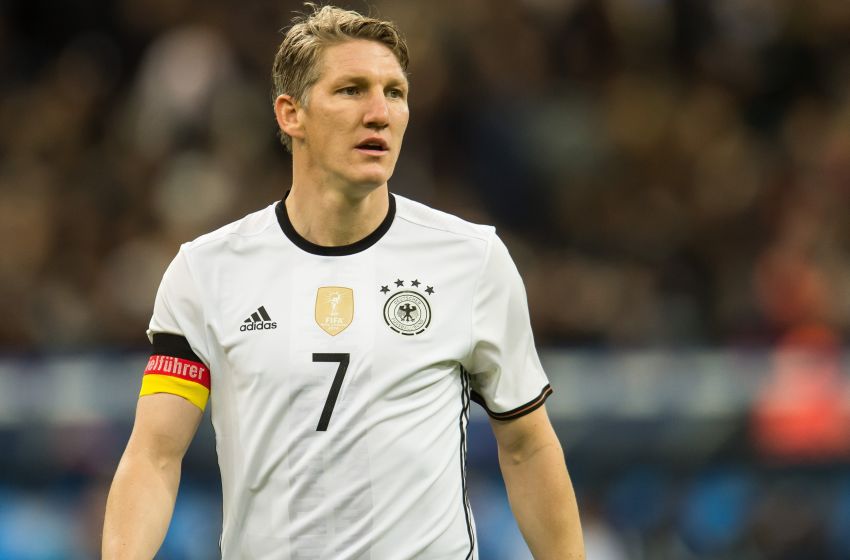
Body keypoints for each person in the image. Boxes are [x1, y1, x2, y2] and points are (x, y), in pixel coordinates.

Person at [102, 5, 584, 559]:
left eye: (395, 93)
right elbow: (154, 456)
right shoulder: (206, 272)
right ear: (291, 114)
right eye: (352, 90)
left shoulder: (472, 261)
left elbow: (526, 446)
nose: (379, 113)